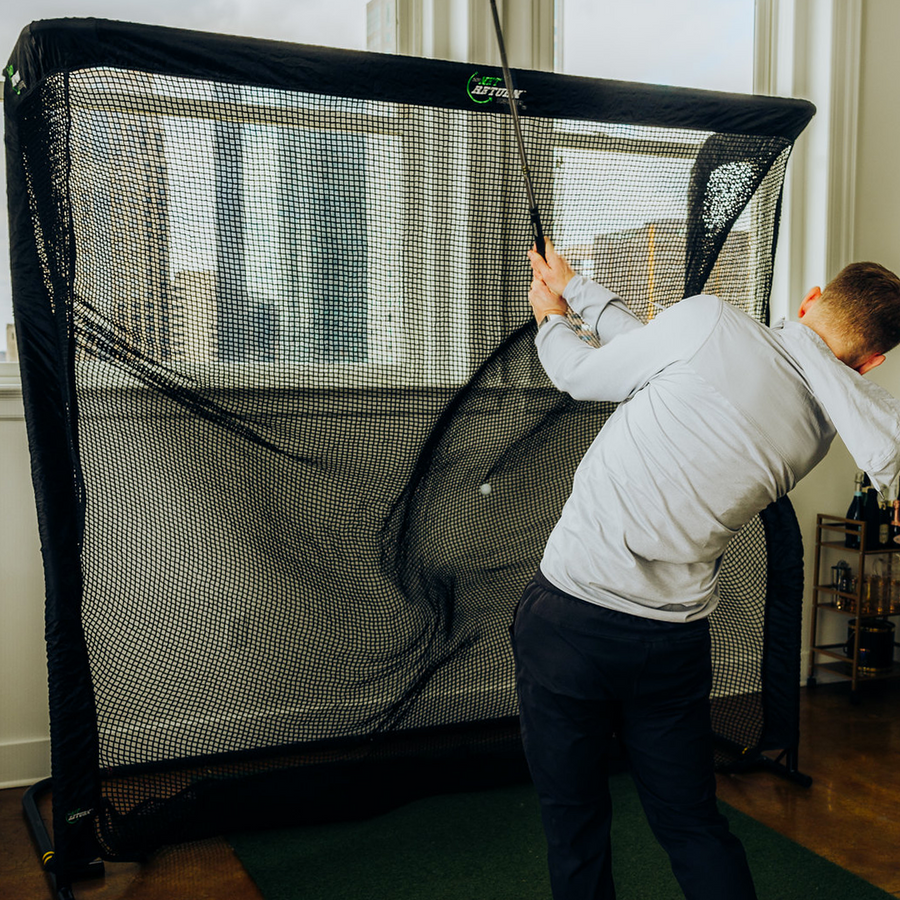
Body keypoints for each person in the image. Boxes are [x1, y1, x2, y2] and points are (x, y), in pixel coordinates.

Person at [512, 239, 900, 900]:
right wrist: (577, 290)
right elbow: (668, 365)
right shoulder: (818, 431)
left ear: (809, 300)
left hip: (569, 619)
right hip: (670, 643)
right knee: (692, 824)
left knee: (573, 822)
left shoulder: (711, 323)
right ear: (869, 364)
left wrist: (550, 319)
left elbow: (591, 374)